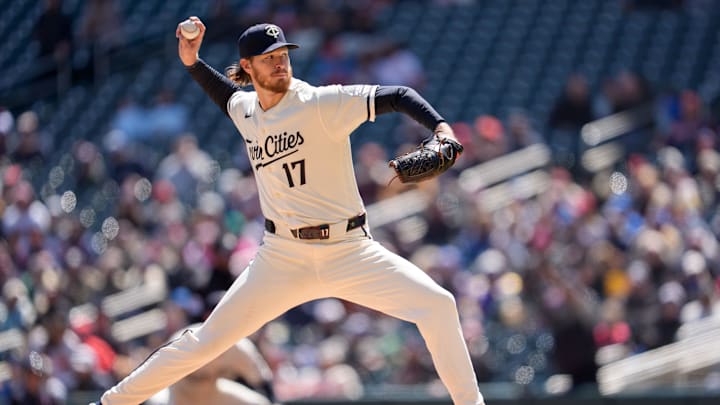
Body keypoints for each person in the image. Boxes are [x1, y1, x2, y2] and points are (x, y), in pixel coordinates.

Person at [93, 17, 485, 405]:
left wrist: (441, 129)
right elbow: (225, 95)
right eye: (268, 57)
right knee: (205, 342)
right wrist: (192, 62)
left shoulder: (320, 103)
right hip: (281, 257)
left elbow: (398, 95)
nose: (280, 62)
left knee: (438, 305)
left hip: (348, 249)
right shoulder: (247, 110)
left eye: (283, 54)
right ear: (248, 66)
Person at [146, 324, 276, 405]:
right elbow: (153, 375)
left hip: (213, 393)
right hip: (179, 394)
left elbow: (263, 379)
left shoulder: (236, 347)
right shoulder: (183, 339)